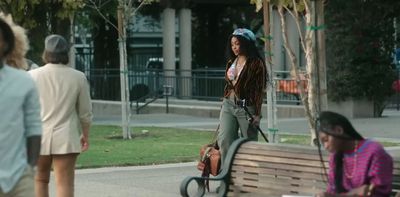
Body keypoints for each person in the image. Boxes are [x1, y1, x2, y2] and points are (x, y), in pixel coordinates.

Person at [29, 34, 93, 197]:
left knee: (39, 181)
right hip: (66, 138)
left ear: (46, 52)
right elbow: (85, 112)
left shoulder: (32, 76)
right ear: (66, 53)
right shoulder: (78, 77)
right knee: (64, 184)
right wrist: (85, 135)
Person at [0, 18, 42, 197]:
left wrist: (30, 167)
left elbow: (34, 126)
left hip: (18, 176)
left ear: (6, 43)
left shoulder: (24, 81)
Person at [217, 28, 267, 168]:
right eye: (232, 44)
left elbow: (259, 90)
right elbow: (229, 85)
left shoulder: (257, 64)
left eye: (237, 44)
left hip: (247, 107)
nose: (234, 47)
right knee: (225, 140)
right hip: (228, 105)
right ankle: (226, 178)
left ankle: (248, 178)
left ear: (246, 43)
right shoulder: (231, 62)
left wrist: (257, 114)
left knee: (248, 143)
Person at [316, 111, 393, 197]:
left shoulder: (374, 152)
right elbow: (332, 191)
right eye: (323, 143)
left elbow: (378, 193)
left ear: (339, 130)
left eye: (326, 140)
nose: (326, 146)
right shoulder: (335, 158)